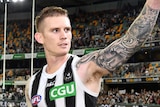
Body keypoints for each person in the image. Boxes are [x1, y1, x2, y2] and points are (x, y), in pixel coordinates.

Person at [25, 0, 160, 107]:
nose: (64, 35)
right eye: (55, 30)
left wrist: (154, 3)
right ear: (39, 37)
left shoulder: (83, 67)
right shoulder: (32, 84)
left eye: (67, 29)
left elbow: (131, 42)